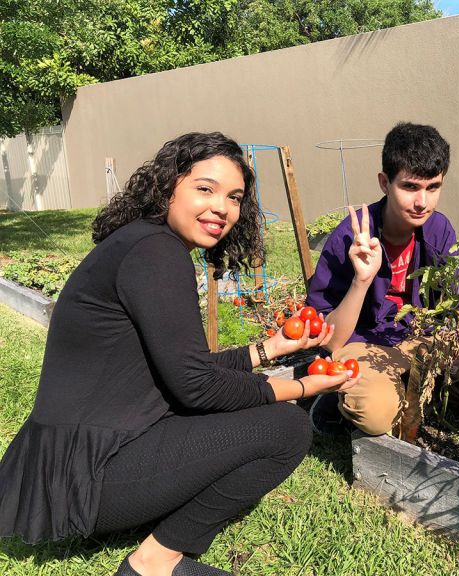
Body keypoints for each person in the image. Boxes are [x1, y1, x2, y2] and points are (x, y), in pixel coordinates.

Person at [0, 132, 358, 576]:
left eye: (234, 197)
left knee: (251, 409)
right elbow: (196, 387)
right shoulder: (156, 253)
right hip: (86, 479)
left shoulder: (142, 242)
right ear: (168, 186)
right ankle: (156, 561)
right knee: (285, 429)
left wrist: (272, 349)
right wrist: (301, 386)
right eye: (204, 189)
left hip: (72, 466)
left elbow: (181, 369)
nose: (222, 208)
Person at [306, 121, 456, 436]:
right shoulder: (349, 237)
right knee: (376, 413)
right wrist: (362, 280)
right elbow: (331, 338)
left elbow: (452, 307)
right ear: (384, 183)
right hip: (363, 342)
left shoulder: (440, 231)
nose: (422, 203)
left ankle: (382, 388)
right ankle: (341, 397)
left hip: (419, 340)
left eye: (433, 187)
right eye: (410, 187)